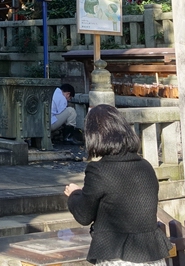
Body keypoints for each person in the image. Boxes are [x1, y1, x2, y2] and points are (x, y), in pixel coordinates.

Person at [63, 104, 171, 266]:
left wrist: (74, 194)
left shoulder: (99, 171)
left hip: (119, 258)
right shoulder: (145, 166)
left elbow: (84, 215)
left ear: (94, 136)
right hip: (152, 257)